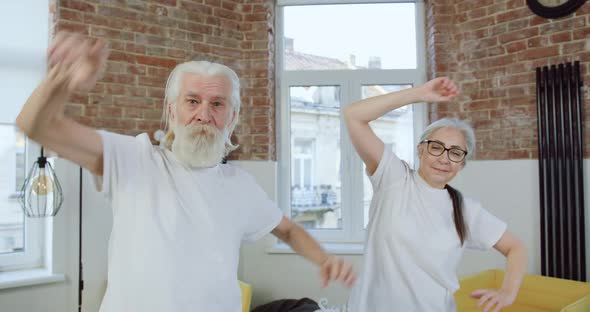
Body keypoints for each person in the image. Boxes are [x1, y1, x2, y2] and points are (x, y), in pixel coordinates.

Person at [16, 32, 356, 312]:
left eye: (217, 104)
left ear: (232, 116)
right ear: (172, 110)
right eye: (192, 101)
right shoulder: (133, 158)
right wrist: (63, 77)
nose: (204, 115)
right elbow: (35, 125)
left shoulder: (241, 186)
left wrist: (323, 257)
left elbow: (288, 229)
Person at [343, 78, 527, 312]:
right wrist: (419, 94)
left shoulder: (466, 209)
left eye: (455, 152)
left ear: (461, 164)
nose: (444, 158)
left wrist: (507, 292)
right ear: (421, 150)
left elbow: (516, 248)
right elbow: (354, 116)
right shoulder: (393, 179)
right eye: (436, 147)